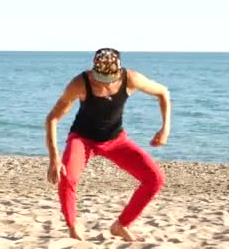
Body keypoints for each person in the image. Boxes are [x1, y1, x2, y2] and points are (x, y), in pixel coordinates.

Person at [44, 48, 171, 242]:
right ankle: (72, 226)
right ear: (93, 70)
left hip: (116, 140)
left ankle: (121, 225)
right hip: (82, 139)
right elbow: (52, 119)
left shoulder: (131, 78)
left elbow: (163, 92)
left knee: (155, 178)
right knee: (67, 177)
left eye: (108, 80)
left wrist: (165, 129)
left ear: (119, 73)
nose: (102, 84)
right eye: (99, 79)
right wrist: (54, 158)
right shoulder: (80, 83)